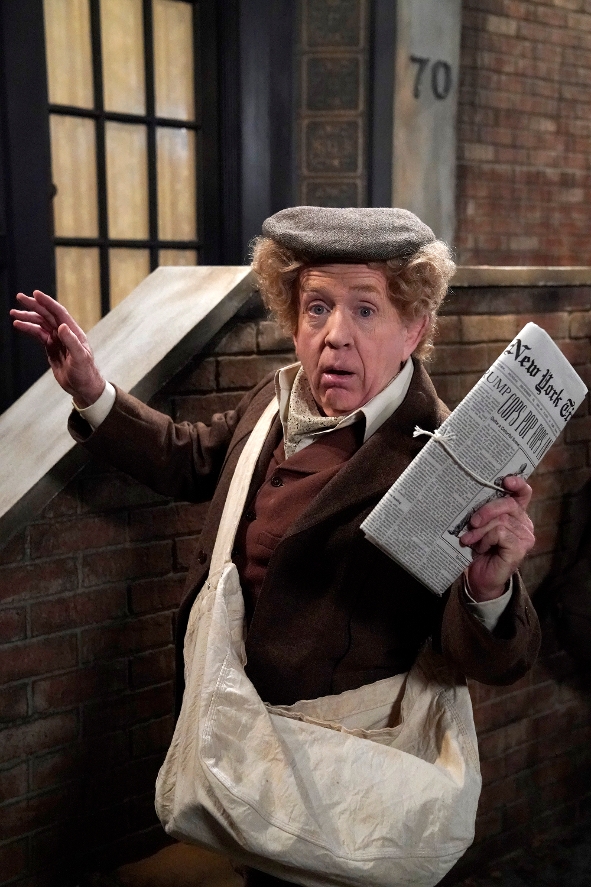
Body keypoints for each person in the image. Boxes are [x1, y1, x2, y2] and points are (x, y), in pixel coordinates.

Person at [12, 207, 540, 887]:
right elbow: (192, 459)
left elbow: (486, 660)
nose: (335, 335)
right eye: (316, 307)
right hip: (238, 736)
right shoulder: (276, 398)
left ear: (414, 328)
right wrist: (93, 393)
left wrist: (488, 589)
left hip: (337, 775)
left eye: (365, 310)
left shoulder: (443, 460)